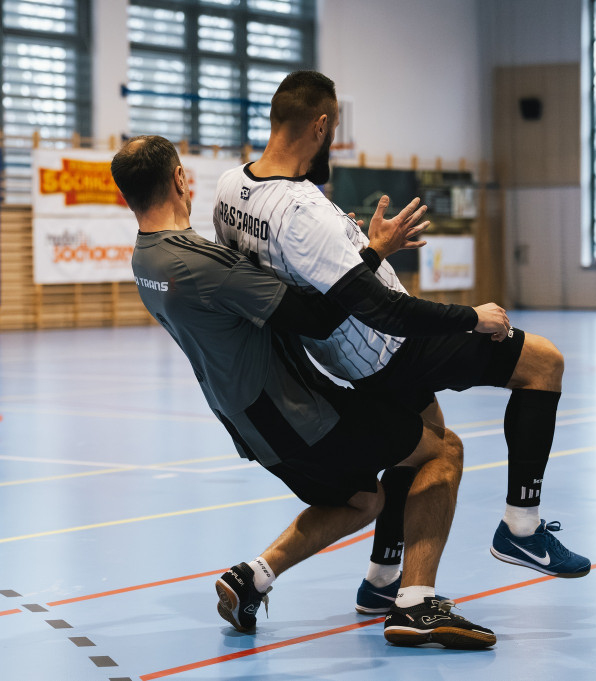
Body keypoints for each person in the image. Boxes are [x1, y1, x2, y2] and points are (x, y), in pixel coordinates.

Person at [211, 71, 591, 623]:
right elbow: (382, 311)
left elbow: (289, 276)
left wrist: (370, 247)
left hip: (348, 358)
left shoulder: (230, 190)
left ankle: (384, 580)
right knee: (544, 364)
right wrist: (474, 318)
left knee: (429, 447)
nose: (334, 140)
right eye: (334, 129)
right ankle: (521, 527)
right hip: (388, 346)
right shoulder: (302, 212)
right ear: (320, 125)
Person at [113, 135, 506, 648]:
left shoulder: (146, 260)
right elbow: (319, 319)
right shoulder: (201, 265)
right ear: (180, 179)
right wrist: (374, 251)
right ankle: (416, 604)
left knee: (364, 499)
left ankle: (251, 578)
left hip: (251, 425)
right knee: (442, 450)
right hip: (298, 413)